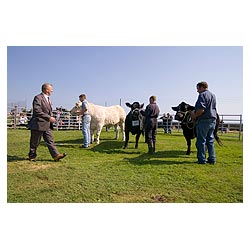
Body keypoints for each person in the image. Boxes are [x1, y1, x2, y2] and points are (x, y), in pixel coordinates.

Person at [28, 83, 67, 161]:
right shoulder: (38, 98)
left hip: (47, 125)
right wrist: (49, 118)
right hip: (38, 123)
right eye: (51, 89)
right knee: (35, 142)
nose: (52, 91)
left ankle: (56, 155)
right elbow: (37, 110)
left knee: (50, 141)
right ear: (46, 90)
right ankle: (32, 156)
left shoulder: (48, 99)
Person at [190, 81, 217, 164]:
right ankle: (212, 159)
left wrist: (194, 115)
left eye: (198, 88)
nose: (197, 91)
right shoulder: (213, 95)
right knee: (210, 140)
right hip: (212, 120)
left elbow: (201, 109)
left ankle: (201, 160)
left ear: (201, 87)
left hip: (204, 120)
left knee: (201, 140)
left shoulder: (202, 95)